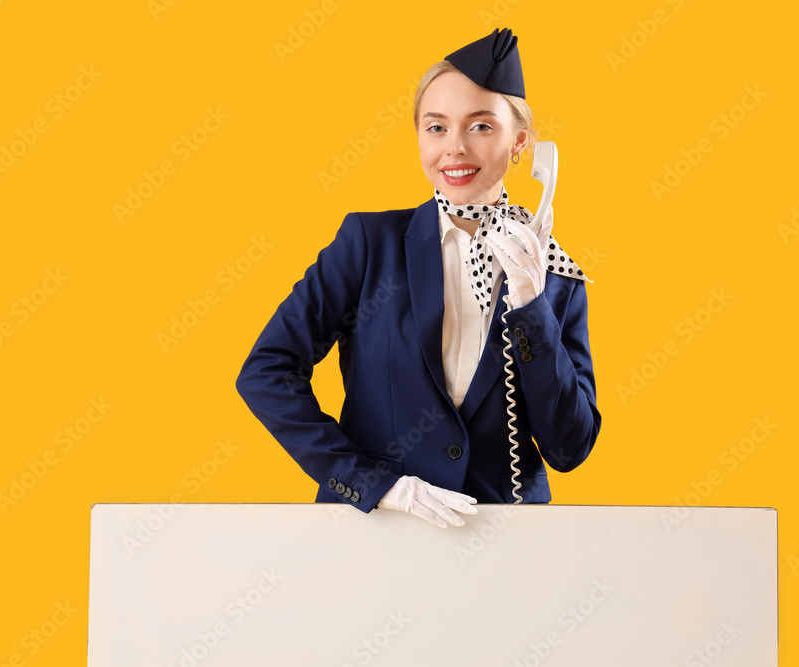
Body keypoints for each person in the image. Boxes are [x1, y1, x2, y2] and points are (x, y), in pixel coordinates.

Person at [235, 28, 601, 529]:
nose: (454, 148)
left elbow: (569, 447)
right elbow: (266, 371)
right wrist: (369, 482)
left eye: (480, 127)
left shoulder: (555, 276)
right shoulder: (369, 242)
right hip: (375, 533)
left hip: (507, 540)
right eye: (436, 128)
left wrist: (532, 306)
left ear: (521, 143)